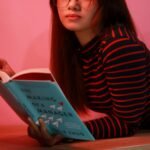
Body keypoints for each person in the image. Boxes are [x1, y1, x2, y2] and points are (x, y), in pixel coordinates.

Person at [0, 0, 150, 146]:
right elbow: (57, 108)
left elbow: (127, 122)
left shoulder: (119, 45)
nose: (72, 4)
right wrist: (12, 83)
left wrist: (67, 134)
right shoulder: (76, 48)